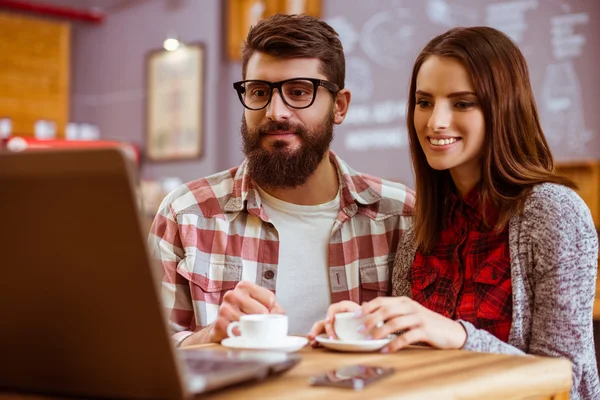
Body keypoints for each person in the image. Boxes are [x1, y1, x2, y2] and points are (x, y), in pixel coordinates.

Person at [309, 26, 599, 399]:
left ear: (504, 107)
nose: (435, 122)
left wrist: (459, 335)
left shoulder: (553, 213)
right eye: (424, 102)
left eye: (462, 103)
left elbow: (568, 384)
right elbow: (417, 358)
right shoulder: (421, 226)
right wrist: (366, 328)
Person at [148, 13, 415, 346]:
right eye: (259, 91)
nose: (276, 111)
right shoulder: (186, 213)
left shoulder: (401, 215)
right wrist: (211, 336)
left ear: (340, 106)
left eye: (299, 92)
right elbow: (146, 351)